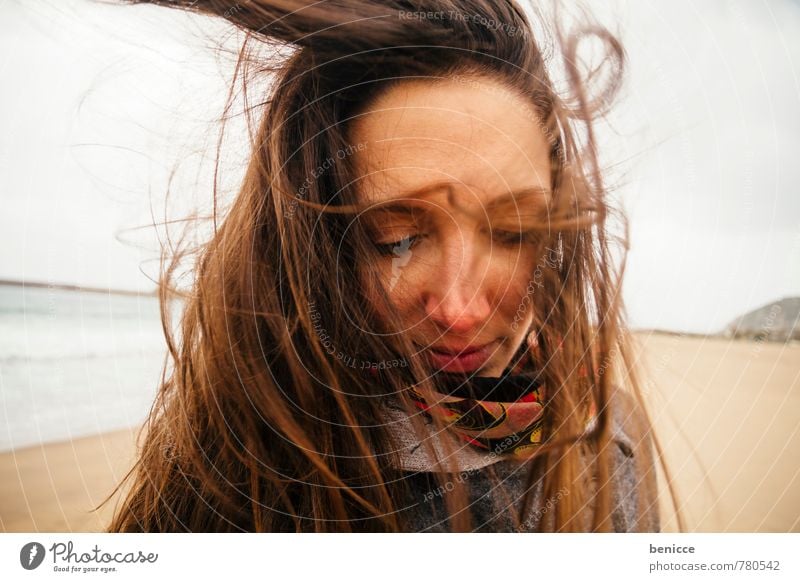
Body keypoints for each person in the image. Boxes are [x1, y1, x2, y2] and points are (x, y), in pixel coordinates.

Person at [103, 0, 679, 532]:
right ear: (321, 247)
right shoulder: (246, 480)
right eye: (397, 239)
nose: (461, 309)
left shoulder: (613, 432)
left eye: (512, 232)